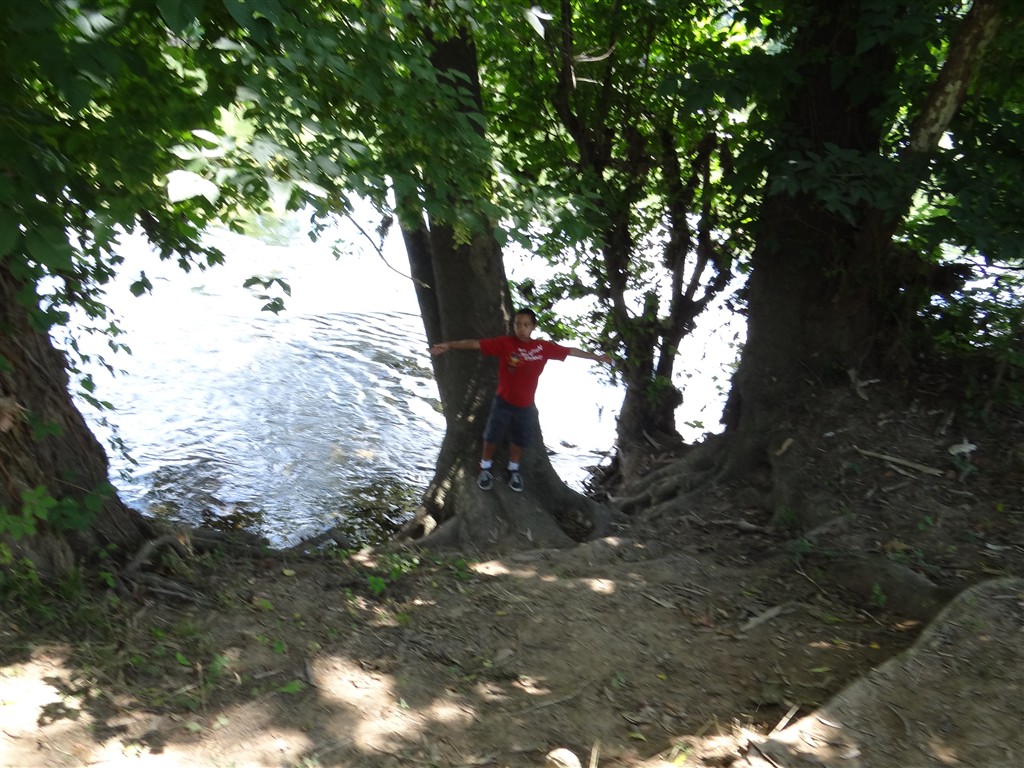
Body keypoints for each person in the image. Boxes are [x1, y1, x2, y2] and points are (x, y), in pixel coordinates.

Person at [430, 308, 613, 492]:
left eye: (526, 325)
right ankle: (485, 467)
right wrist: (449, 345)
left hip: (526, 406)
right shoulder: (505, 343)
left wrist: (597, 357)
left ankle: (513, 470)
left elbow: (570, 351)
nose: (521, 328)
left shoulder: (543, 347)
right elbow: (476, 344)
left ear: (533, 327)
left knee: (519, 439)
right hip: (503, 402)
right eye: (518, 324)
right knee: (492, 436)